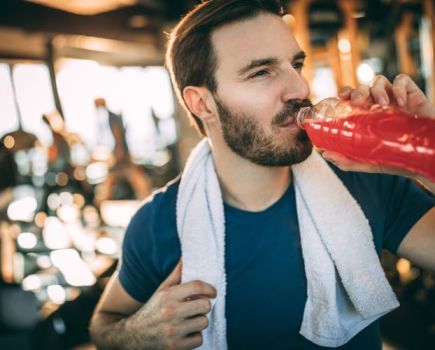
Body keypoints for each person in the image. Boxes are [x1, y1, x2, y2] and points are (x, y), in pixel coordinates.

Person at [89, 1, 435, 349]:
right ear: (202, 104)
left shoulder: (364, 180)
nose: (300, 89)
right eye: (261, 72)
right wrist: (137, 333)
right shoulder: (158, 223)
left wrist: (427, 150)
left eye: (296, 64)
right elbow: (102, 327)